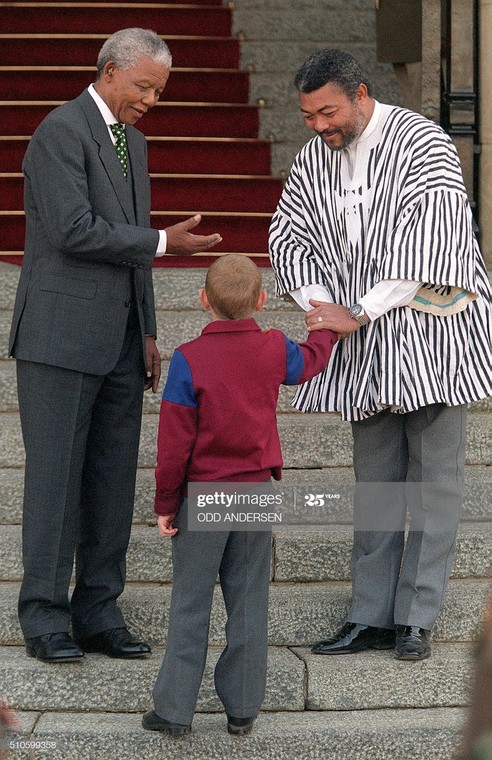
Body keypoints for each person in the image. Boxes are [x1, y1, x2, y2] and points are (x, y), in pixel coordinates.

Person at [269, 49, 491, 661]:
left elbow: (434, 243)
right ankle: (369, 614)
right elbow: (289, 234)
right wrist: (320, 305)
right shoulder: (316, 156)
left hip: (433, 340)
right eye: (309, 115)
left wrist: (358, 310)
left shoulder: (426, 142)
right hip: (361, 348)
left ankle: (418, 616)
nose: (318, 126)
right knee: (377, 486)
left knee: (434, 486)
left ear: (362, 93)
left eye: (328, 112)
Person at [8, 28, 222, 664]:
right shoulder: (59, 132)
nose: (152, 100)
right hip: (59, 340)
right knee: (56, 483)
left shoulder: (134, 142)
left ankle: (99, 610)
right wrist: (162, 242)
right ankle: (45, 618)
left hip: (121, 344)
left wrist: (148, 329)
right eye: (144, 86)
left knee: (109, 483)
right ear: (108, 71)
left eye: (159, 90)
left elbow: (132, 248)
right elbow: (75, 231)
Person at [142, 254, 337, 736]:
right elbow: (310, 360)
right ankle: (243, 708)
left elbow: (173, 444)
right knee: (249, 603)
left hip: (204, 494)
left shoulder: (189, 357)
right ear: (262, 300)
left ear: (203, 299)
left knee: (190, 603)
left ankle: (174, 711)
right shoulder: (273, 347)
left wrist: (167, 503)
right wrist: (326, 326)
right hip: (254, 493)